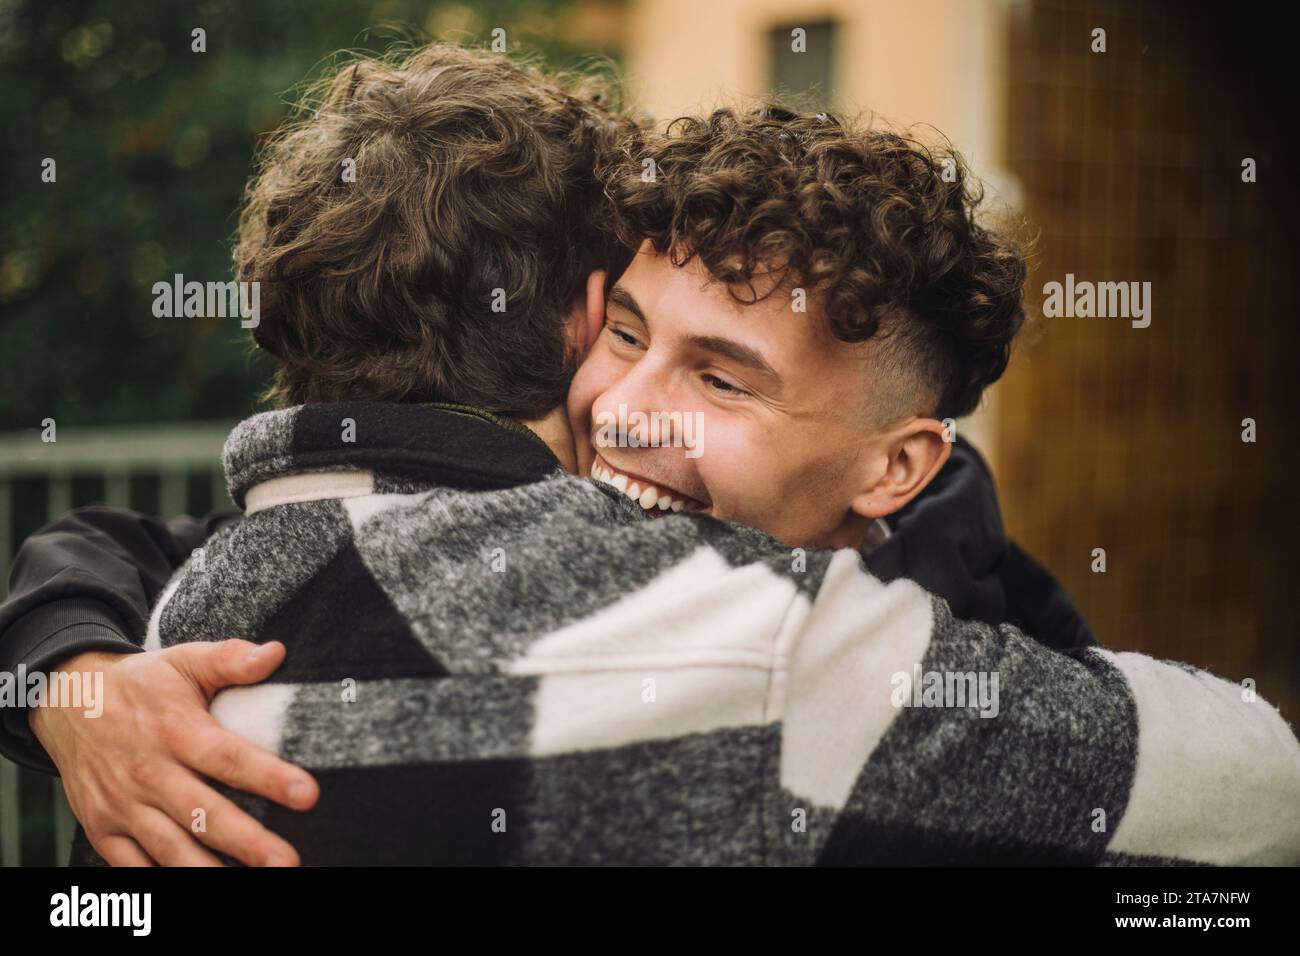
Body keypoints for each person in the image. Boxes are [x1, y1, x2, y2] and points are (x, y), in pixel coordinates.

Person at [3, 44, 1294, 865]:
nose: (628, 413)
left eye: (722, 377)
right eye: (626, 330)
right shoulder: (485, 566)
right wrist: (74, 674)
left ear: (896, 470)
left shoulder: (969, 646)